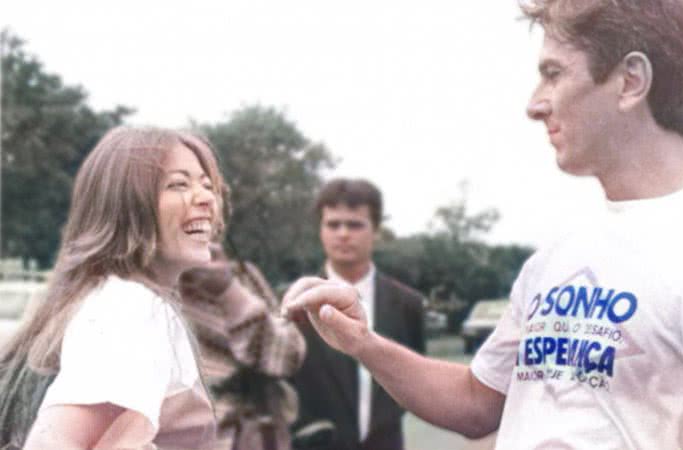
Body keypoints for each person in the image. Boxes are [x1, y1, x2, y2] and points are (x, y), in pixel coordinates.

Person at [281, 1, 683, 449]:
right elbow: (478, 403)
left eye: (554, 73)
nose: (534, 103)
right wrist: (361, 342)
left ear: (631, 81)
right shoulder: (557, 256)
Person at [0, 126, 225, 449]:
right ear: (124, 206)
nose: (207, 198)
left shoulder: (111, 298)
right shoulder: (132, 306)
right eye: (178, 184)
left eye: (207, 185)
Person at [290, 178, 426, 450]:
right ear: (320, 230)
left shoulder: (408, 304)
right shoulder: (293, 303)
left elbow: (414, 378)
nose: (343, 233)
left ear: (375, 230)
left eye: (354, 224)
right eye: (333, 224)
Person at [178, 243, 306, 450]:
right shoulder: (131, 289)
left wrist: (228, 291)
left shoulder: (243, 276)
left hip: (257, 437)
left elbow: (288, 358)